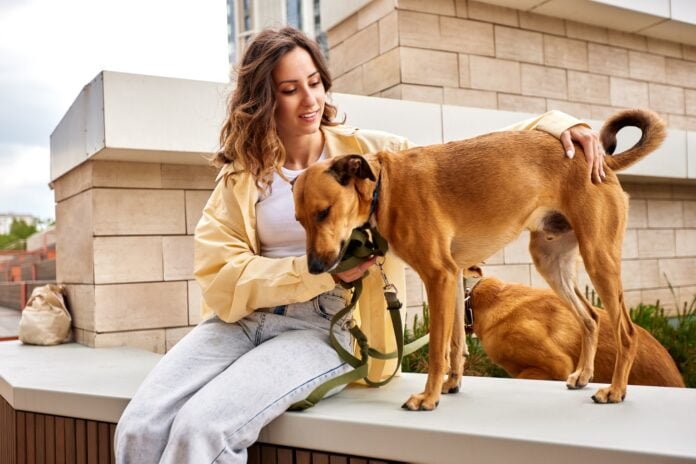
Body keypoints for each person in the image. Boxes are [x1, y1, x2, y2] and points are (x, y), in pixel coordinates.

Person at [115, 27, 605, 463]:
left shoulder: (370, 153)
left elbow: (473, 157)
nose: (309, 99)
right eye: (289, 89)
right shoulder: (239, 177)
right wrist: (314, 271)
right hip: (239, 320)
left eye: (315, 82)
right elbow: (220, 275)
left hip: (329, 325)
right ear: (264, 100)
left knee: (203, 429)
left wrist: (560, 124)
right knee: (138, 427)